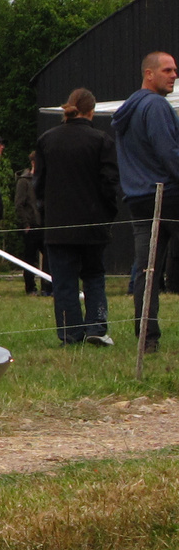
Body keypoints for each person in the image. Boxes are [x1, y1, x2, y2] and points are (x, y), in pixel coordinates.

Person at [36, 89, 117, 344]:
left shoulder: (47, 140)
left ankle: (69, 332)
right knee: (93, 275)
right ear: (92, 111)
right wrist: (108, 213)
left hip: (58, 225)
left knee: (64, 281)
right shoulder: (101, 140)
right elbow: (110, 183)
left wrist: (45, 214)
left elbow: (38, 184)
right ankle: (96, 326)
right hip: (92, 223)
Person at [114, 51, 179, 351]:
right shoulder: (155, 105)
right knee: (149, 270)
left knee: (146, 270)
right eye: (167, 70)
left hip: (139, 198)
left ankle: (146, 339)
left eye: (175, 70)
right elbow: (168, 153)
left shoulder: (128, 108)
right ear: (149, 74)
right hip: (168, 194)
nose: (174, 75)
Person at [12, 150, 47, 297]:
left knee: (49, 257)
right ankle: (30, 287)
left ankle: (47, 285)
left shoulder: (44, 180)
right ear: (33, 163)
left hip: (43, 224)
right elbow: (19, 204)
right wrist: (26, 223)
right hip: (31, 225)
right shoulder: (24, 181)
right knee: (30, 258)